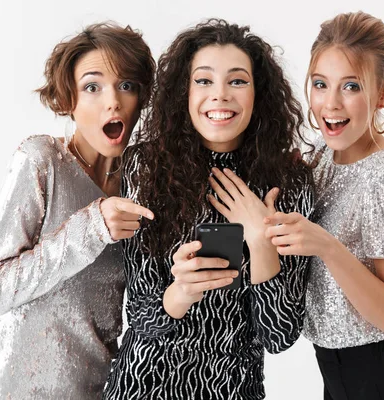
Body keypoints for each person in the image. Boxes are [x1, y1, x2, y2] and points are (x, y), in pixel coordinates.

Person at [103, 19, 314, 400]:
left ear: (258, 93)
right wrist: (180, 290)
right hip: (142, 386)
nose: (219, 95)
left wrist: (260, 239)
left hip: (233, 390)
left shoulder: (291, 181)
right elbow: (139, 317)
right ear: (184, 91)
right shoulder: (145, 166)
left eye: (237, 81)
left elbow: (280, 335)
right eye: (203, 81)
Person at [264, 11, 384, 400]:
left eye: (350, 86)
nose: (330, 104)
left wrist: (327, 246)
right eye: (320, 84)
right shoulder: (318, 157)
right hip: (337, 378)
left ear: (383, 93)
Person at [0, 22, 155, 399]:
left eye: (126, 85)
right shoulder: (42, 160)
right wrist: (92, 226)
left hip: (99, 389)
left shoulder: (140, 183)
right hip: (19, 390)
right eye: (93, 87)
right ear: (69, 98)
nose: (113, 101)